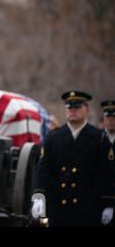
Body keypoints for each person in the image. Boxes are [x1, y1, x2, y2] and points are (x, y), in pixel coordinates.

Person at [31, 91, 114, 226]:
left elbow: (107, 174)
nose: (72, 110)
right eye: (69, 107)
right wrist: (38, 196)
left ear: (86, 110)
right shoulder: (54, 137)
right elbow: (43, 170)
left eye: (77, 107)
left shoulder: (99, 138)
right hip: (58, 206)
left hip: (88, 207)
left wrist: (109, 204)